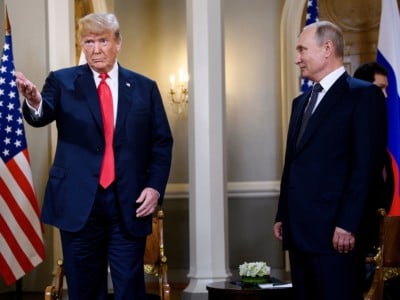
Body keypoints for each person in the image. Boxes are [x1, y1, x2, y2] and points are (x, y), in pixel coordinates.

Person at [16, 13, 173, 300]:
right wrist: (34, 99)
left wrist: (154, 187)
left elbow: (161, 143)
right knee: (84, 289)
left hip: (128, 203)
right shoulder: (63, 81)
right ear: (81, 45)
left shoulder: (144, 87)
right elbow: (42, 114)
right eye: (88, 42)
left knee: (129, 289)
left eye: (103, 40)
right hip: (78, 203)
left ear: (118, 43)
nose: (96, 49)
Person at [273, 21, 387, 300]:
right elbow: (293, 162)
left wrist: (348, 223)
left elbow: (366, 167)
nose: (297, 57)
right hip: (299, 232)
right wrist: (282, 214)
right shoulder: (300, 102)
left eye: (302, 49)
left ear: (327, 49)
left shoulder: (363, 95)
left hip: (337, 234)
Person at [353, 62, 394, 291]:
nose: (386, 95)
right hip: (351, 243)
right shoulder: (348, 129)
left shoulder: (379, 131)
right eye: (380, 88)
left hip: (377, 245)